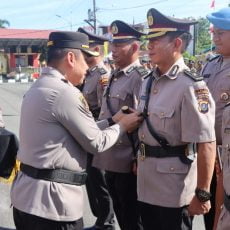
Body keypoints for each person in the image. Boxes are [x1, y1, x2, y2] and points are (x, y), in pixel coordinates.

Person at [10, 31, 143, 230]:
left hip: (27, 199)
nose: (87, 69)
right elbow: (96, 142)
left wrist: (112, 121)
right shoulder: (64, 92)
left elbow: (73, 131)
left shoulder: (40, 86)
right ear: (71, 58)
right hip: (52, 206)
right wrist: (123, 126)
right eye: (85, 60)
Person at [137, 8, 216, 230]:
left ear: (177, 44)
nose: (148, 46)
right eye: (148, 40)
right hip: (146, 184)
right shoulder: (148, 81)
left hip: (174, 189)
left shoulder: (191, 86)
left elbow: (206, 143)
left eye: (156, 40)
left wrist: (202, 193)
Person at [92, 20, 148, 230]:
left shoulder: (139, 78)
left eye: (118, 45)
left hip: (128, 162)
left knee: (133, 218)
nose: (112, 50)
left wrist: (138, 159)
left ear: (135, 47)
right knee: (122, 215)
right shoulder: (115, 75)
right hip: (111, 158)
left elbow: (140, 121)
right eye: (112, 45)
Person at [77, 27, 115, 230]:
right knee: (91, 181)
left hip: (97, 132)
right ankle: (100, 218)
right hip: (87, 132)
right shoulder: (88, 74)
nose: (82, 54)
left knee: (100, 181)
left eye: (86, 50)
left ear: (96, 50)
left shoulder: (102, 75)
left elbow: (104, 110)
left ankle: (107, 221)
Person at [202, 7, 230, 230]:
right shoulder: (211, 64)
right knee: (207, 207)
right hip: (206, 151)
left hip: (226, 156)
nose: (215, 37)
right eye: (214, 32)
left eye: (221, 32)